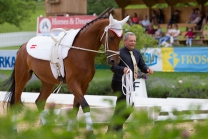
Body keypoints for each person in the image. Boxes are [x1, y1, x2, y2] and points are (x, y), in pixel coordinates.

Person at [107, 32, 153, 137]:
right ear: (125, 41)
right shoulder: (118, 53)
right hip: (119, 83)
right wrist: (122, 69)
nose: (133, 43)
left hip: (129, 83)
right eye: (131, 41)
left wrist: (147, 69)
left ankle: (111, 128)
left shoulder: (136, 53)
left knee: (123, 107)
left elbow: (142, 64)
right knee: (126, 106)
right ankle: (118, 128)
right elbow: (113, 67)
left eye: (134, 41)